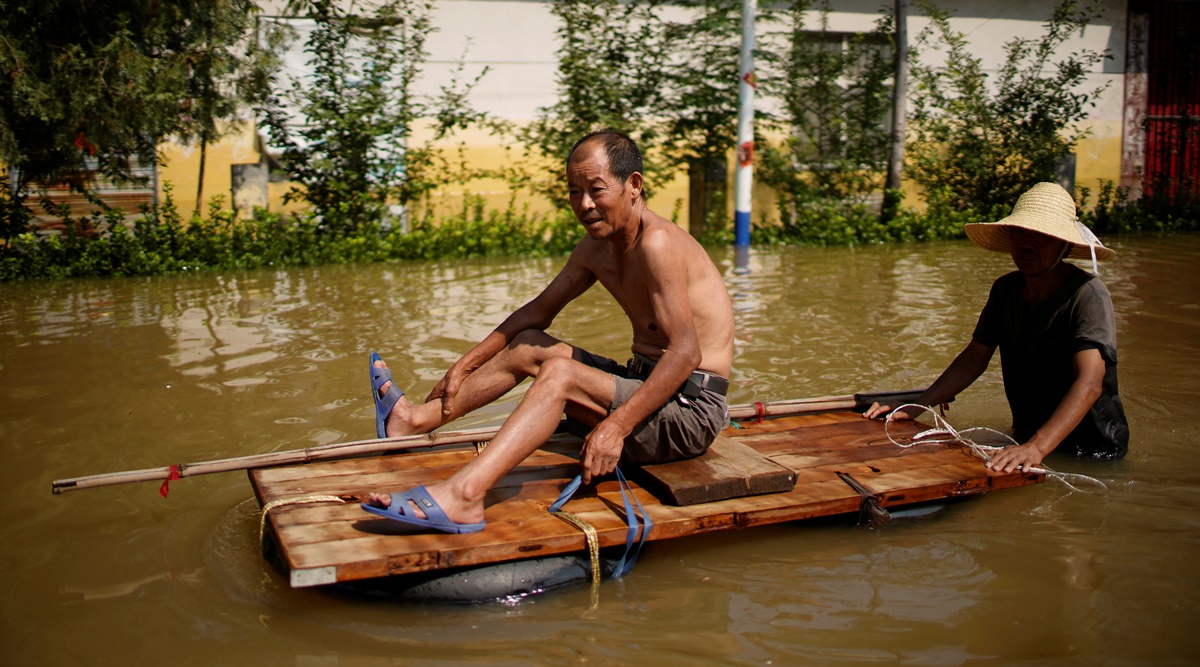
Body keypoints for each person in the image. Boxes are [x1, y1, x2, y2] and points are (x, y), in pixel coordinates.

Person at [362, 129, 736, 533]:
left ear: (634, 186)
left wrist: (614, 428)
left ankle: (464, 497)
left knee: (559, 374)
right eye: (575, 192)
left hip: (689, 412)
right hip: (644, 384)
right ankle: (413, 421)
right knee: (529, 348)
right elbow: (536, 313)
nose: (585, 205)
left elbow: (685, 353)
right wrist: (463, 366)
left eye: (596, 190)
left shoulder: (658, 244)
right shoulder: (597, 247)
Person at [864, 182, 1129, 472]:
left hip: (1092, 448)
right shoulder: (1006, 289)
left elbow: (1090, 383)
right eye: (1020, 232)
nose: (1027, 243)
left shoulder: (1087, 294)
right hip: (1028, 437)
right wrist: (917, 407)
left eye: (1041, 235)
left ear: (1064, 244)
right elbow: (973, 358)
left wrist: (1038, 447)